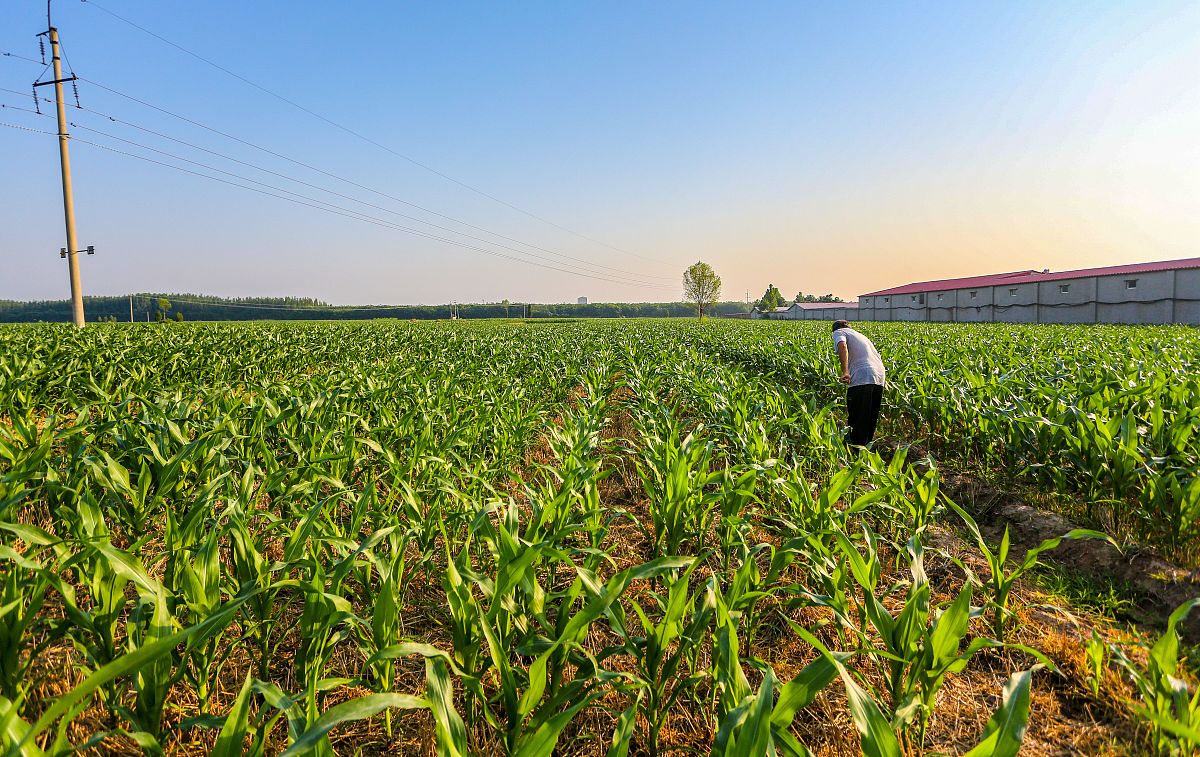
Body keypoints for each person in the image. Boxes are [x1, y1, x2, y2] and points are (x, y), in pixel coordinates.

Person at [831, 320, 885, 447]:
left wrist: (845, 371)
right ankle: (866, 448)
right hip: (879, 376)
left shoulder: (839, 332)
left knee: (857, 416)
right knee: (870, 416)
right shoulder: (861, 336)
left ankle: (854, 450)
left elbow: (842, 346)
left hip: (862, 375)